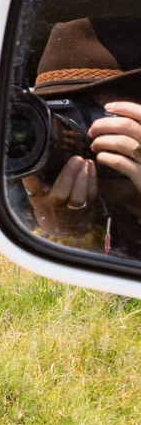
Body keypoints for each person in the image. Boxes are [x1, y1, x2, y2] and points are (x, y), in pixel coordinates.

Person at [19, 16, 141, 256]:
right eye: (52, 119)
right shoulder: (24, 188)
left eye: (93, 113)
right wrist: (63, 231)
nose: (72, 135)